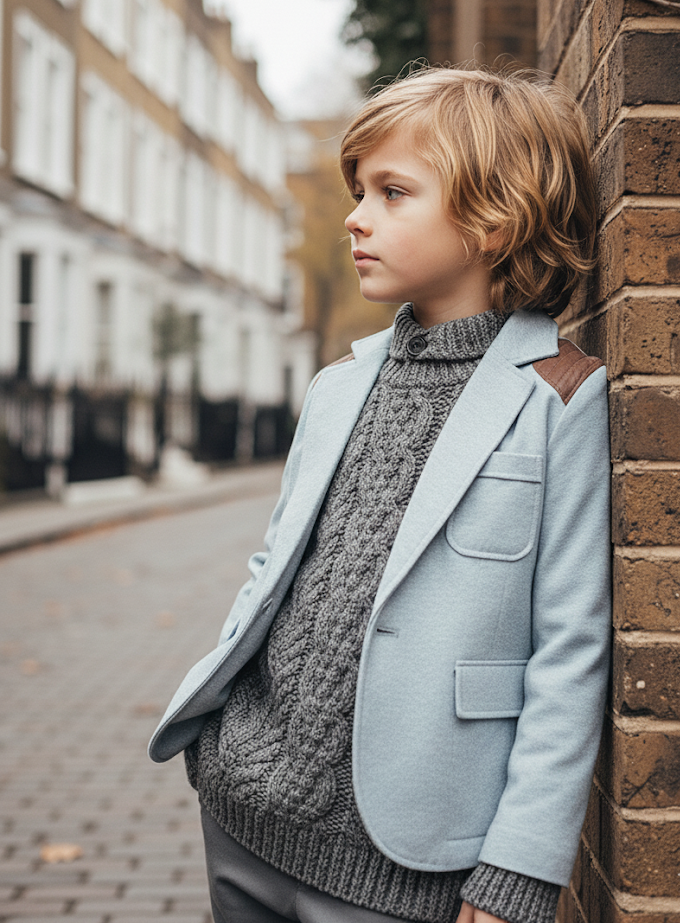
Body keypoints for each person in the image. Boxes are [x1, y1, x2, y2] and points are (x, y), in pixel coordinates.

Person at [149, 67, 611, 923]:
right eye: (360, 192)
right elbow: (276, 567)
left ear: (495, 218)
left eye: (393, 193)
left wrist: (520, 866)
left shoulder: (559, 396)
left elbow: (570, 648)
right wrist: (220, 740)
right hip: (244, 812)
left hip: (405, 856)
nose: (356, 218)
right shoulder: (338, 384)